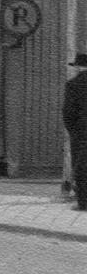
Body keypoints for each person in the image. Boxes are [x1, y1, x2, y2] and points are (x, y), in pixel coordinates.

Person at [62, 55, 87, 211]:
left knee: (82, 167)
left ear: (78, 67)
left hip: (82, 132)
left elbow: (68, 113)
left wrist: (74, 131)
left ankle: (84, 202)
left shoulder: (73, 84)